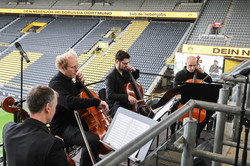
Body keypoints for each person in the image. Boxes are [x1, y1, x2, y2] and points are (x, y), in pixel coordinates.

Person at [48, 49, 109, 166]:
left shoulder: (68, 79)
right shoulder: (55, 83)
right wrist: (95, 101)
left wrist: (79, 84)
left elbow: (74, 94)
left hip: (73, 120)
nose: (77, 70)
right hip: (62, 127)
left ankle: (93, 160)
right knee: (91, 140)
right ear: (62, 67)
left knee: (96, 133)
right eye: (73, 67)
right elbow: (70, 102)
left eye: (77, 66)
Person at [3, 85, 71, 166]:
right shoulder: (53, 145)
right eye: (55, 106)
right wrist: (54, 143)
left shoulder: (8, 129)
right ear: (48, 107)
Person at [171, 56, 213, 135]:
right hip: (184, 98)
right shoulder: (180, 74)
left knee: (210, 110)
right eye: (190, 65)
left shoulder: (199, 73)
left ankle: (197, 132)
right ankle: (172, 132)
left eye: (194, 65)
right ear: (186, 64)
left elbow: (210, 81)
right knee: (173, 108)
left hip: (198, 99)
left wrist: (203, 72)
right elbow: (175, 88)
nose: (193, 68)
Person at [105, 50, 139, 118]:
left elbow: (135, 78)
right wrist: (127, 97)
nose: (127, 65)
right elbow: (110, 95)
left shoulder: (126, 72)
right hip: (116, 105)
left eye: (128, 63)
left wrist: (134, 70)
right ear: (117, 62)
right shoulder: (110, 77)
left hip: (126, 102)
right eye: (125, 63)